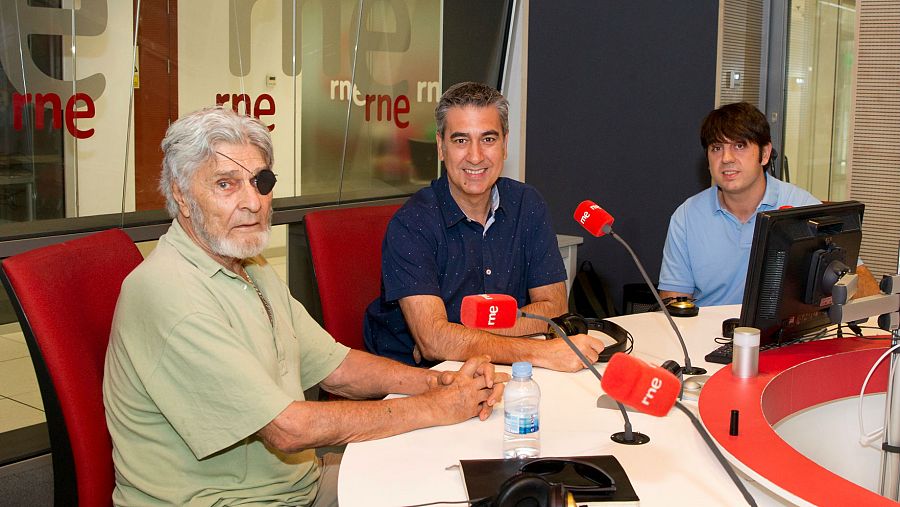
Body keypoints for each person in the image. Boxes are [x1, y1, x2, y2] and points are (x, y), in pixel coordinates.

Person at [102, 106, 507, 507]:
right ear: (181, 195)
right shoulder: (170, 293)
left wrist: (439, 384)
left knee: (459, 486)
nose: (253, 202)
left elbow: (338, 368)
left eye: (260, 181)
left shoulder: (248, 266)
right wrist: (436, 407)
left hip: (299, 485)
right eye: (226, 185)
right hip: (230, 501)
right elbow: (287, 429)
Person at [364, 82, 605, 371]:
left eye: (488, 139)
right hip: (415, 378)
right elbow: (433, 343)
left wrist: (453, 337)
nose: (476, 156)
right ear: (441, 146)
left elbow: (553, 308)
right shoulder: (412, 223)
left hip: (498, 367)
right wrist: (538, 351)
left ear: (505, 144)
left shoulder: (527, 204)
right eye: (461, 140)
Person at [658, 101, 879, 306]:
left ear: (764, 154)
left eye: (739, 146)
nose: (726, 158)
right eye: (716, 148)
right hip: (709, 338)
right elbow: (674, 300)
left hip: (791, 339)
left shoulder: (803, 208)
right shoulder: (687, 216)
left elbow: (861, 286)